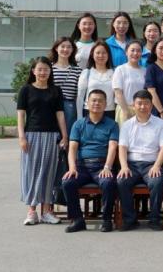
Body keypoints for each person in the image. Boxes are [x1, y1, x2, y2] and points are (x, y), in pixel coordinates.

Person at [17, 57, 68, 226]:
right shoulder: (26, 90)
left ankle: (46, 211)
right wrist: (22, 137)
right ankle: (32, 212)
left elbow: (60, 114)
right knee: (31, 172)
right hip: (31, 135)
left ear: (50, 71)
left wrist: (64, 136)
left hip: (51, 135)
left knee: (48, 172)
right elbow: (21, 115)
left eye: (46, 69)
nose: (43, 72)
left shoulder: (56, 90)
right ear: (33, 71)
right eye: (39, 69)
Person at [61, 89, 118, 233]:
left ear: (106, 104)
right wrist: (72, 168)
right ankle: (78, 220)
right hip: (82, 166)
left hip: (102, 166)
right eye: (93, 100)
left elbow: (113, 147)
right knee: (68, 182)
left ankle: (106, 220)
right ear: (87, 103)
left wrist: (107, 167)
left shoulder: (112, 124)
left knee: (108, 182)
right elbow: (72, 148)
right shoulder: (78, 124)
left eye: (100, 101)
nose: (96, 103)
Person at [117, 90, 163, 231]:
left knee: (157, 181)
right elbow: (122, 148)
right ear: (133, 105)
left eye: (146, 103)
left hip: (151, 164)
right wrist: (124, 166)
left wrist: (157, 166)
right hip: (132, 165)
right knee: (122, 181)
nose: (143, 106)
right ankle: (130, 219)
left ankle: (154, 219)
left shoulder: (160, 124)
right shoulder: (127, 125)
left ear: (151, 105)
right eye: (139, 103)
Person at [49, 37, 83, 136]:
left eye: (69, 47)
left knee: (68, 134)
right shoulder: (49, 68)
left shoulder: (77, 70)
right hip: (51, 105)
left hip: (69, 106)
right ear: (56, 48)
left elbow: (79, 92)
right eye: (62, 46)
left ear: (72, 50)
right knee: (52, 133)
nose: (65, 49)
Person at [76, 41, 116, 120]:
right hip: (89, 112)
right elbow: (80, 97)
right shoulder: (86, 73)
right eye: (98, 53)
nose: (101, 55)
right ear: (92, 54)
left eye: (104, 53)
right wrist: (79, 116)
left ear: (108, 55)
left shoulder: (115, 73)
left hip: (109, 112)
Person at [112, 41, 146, 125]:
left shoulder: (145, 70)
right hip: (125, 108)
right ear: (126, 52)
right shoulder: (120, 69)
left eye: (138, 51)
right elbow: (118, 92)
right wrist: (126, 111)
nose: (135, 53)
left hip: (142, 109)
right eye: (132, 50)